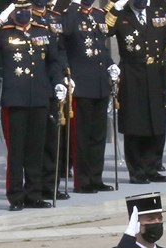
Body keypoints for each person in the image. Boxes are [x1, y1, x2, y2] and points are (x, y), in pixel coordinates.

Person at [0, 1, 71, 209]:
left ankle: (34, 194)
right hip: (15, 100)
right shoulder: (5, 32)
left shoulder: (41, 31)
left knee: (36, 149)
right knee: (17, 151)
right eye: (19, 10)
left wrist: (58, 81)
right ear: (12, 13)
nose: (23, 13)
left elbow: (53, 60)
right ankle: (16, 196)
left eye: (26, 9)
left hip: (39, 97)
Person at [113, 0, 166, 183]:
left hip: (156, 73)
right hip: (133, 74)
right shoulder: (122, 14)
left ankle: (152, 167)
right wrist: (114, 8)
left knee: (156, 121)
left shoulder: (158, 10)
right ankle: (137, 171)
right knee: (135, 122)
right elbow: (107, 30)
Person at [65, 0, 119, 192]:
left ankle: (96, 177)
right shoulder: (70, 14)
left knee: (98, 135)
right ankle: (82, 181)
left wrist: (110, 63)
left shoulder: (97, 15)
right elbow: (67, 33)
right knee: (82, 136)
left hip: (99, 83)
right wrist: (73, 5)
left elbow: (101, 45)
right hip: (81, 83)